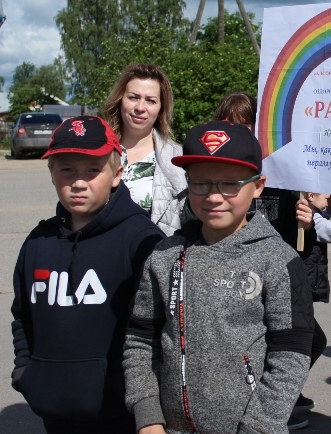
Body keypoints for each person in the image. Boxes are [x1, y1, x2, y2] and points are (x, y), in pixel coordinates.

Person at [123, 120, 315, 434]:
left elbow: (291, 354)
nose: (213, 196)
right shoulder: (163, 256)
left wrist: (260, 426)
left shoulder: (279, 260)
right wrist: (148, 416)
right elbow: (140, 340)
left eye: (230, 184)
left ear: (258, 185)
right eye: (201, 183)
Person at [11, 116, 165, 433]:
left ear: (116, 174)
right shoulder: (38, 242)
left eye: (93, 170)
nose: (79, 182)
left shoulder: (143, 241)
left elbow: (159, 330)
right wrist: (26, 372)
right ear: (51, 173)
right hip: (53, 410)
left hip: (121, 415)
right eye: (67, 169)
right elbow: (21, 315)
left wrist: (139, 398)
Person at [213, 90, 318, 430]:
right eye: (230, 125)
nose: (239, 132)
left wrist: (307, 224)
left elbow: (298, 246)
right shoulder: (219, 176)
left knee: (311, 340)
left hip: (271, 278)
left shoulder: (279, 175)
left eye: (246, 125)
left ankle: (274, 397)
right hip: (232, 276)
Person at [102, 63, 187, 236]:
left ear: (161, 108)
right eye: (133, 97)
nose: (140, 108)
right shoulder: (98, 149)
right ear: (120, 100)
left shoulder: (179, 159)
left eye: (150, 100)